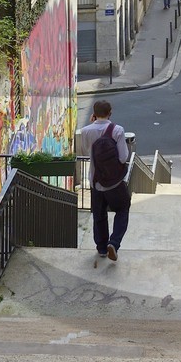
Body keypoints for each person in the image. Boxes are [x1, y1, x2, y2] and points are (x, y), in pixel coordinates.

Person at [76, 100, 131, 266]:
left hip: (96, 182)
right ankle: (113, 243)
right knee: (123, 209)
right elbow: (123, 157)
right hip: (115, 183)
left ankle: (101, 248)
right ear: (110, 112)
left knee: (99, 215)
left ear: (93, 113)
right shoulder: (117, 130)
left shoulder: (85, 131)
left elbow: (86, 152)